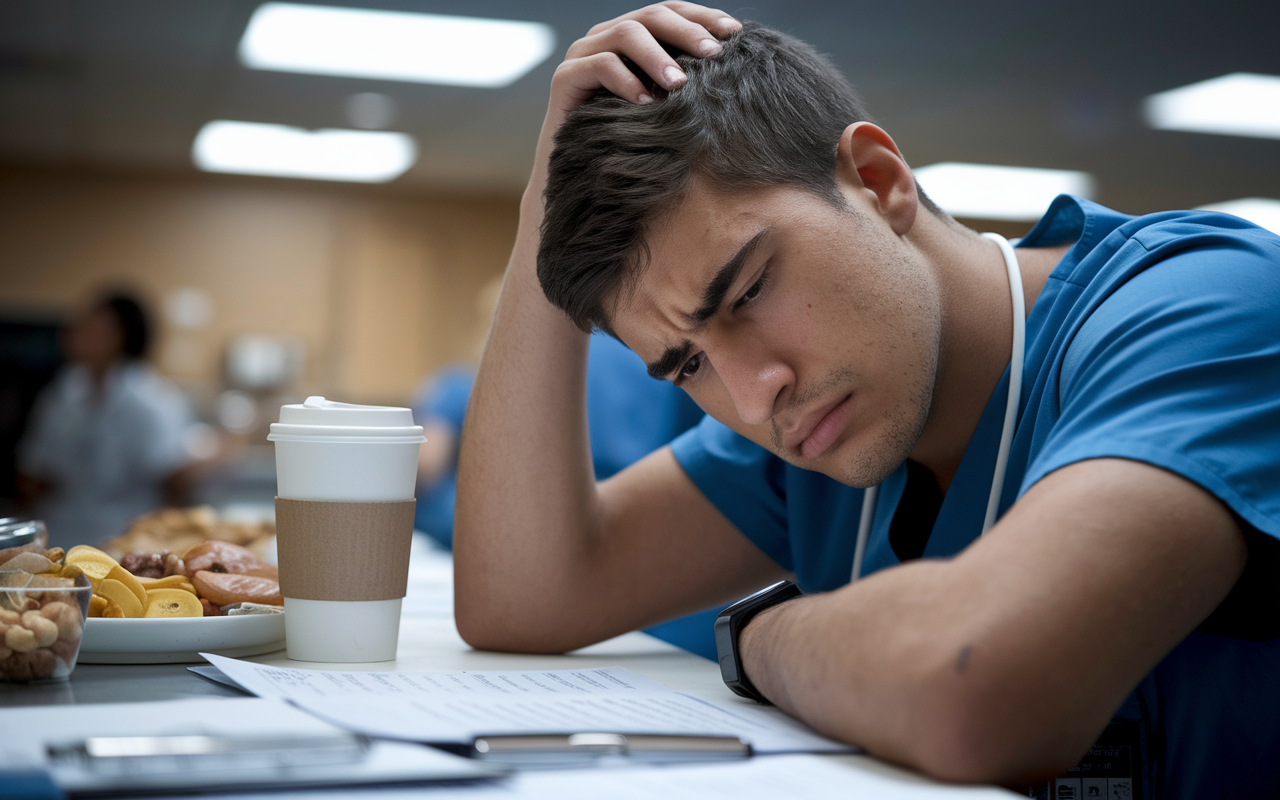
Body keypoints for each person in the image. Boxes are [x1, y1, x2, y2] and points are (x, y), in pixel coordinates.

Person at [454, 4, 1279, 798]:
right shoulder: (824, 424)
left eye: (747, 292)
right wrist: (543, 208)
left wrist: (759, 638)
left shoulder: (1204, 308)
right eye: (687, 366)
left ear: (878, 182)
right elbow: (523, 597)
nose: (752, 395)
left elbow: (976, 692)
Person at [16, 292, 193, 548]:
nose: (72, 332)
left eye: (88, 326)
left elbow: (173, 475)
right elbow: (36, 468)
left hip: (123, 537)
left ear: (120, 335)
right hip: (60, 530)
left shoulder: (150, 399)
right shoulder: (66, 389)